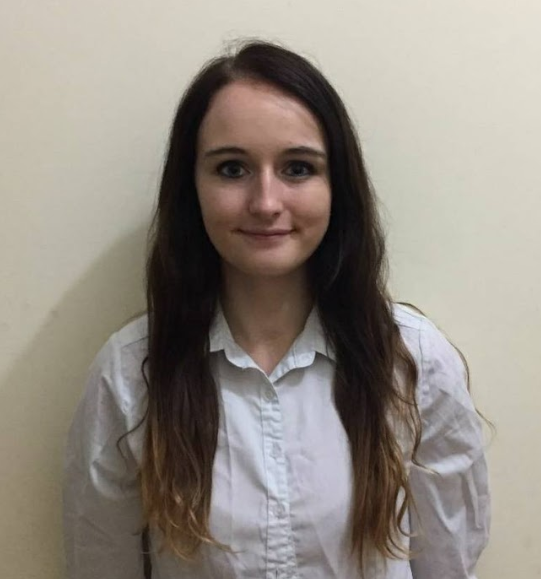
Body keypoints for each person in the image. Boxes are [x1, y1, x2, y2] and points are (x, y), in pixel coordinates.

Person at [62, 39, 490, 579]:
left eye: (298, 168)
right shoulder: (130, 376)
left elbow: (448, 567)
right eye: (232, 169)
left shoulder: (415, 364)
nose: (265, 203)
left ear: (337, 186)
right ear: (192, 186)